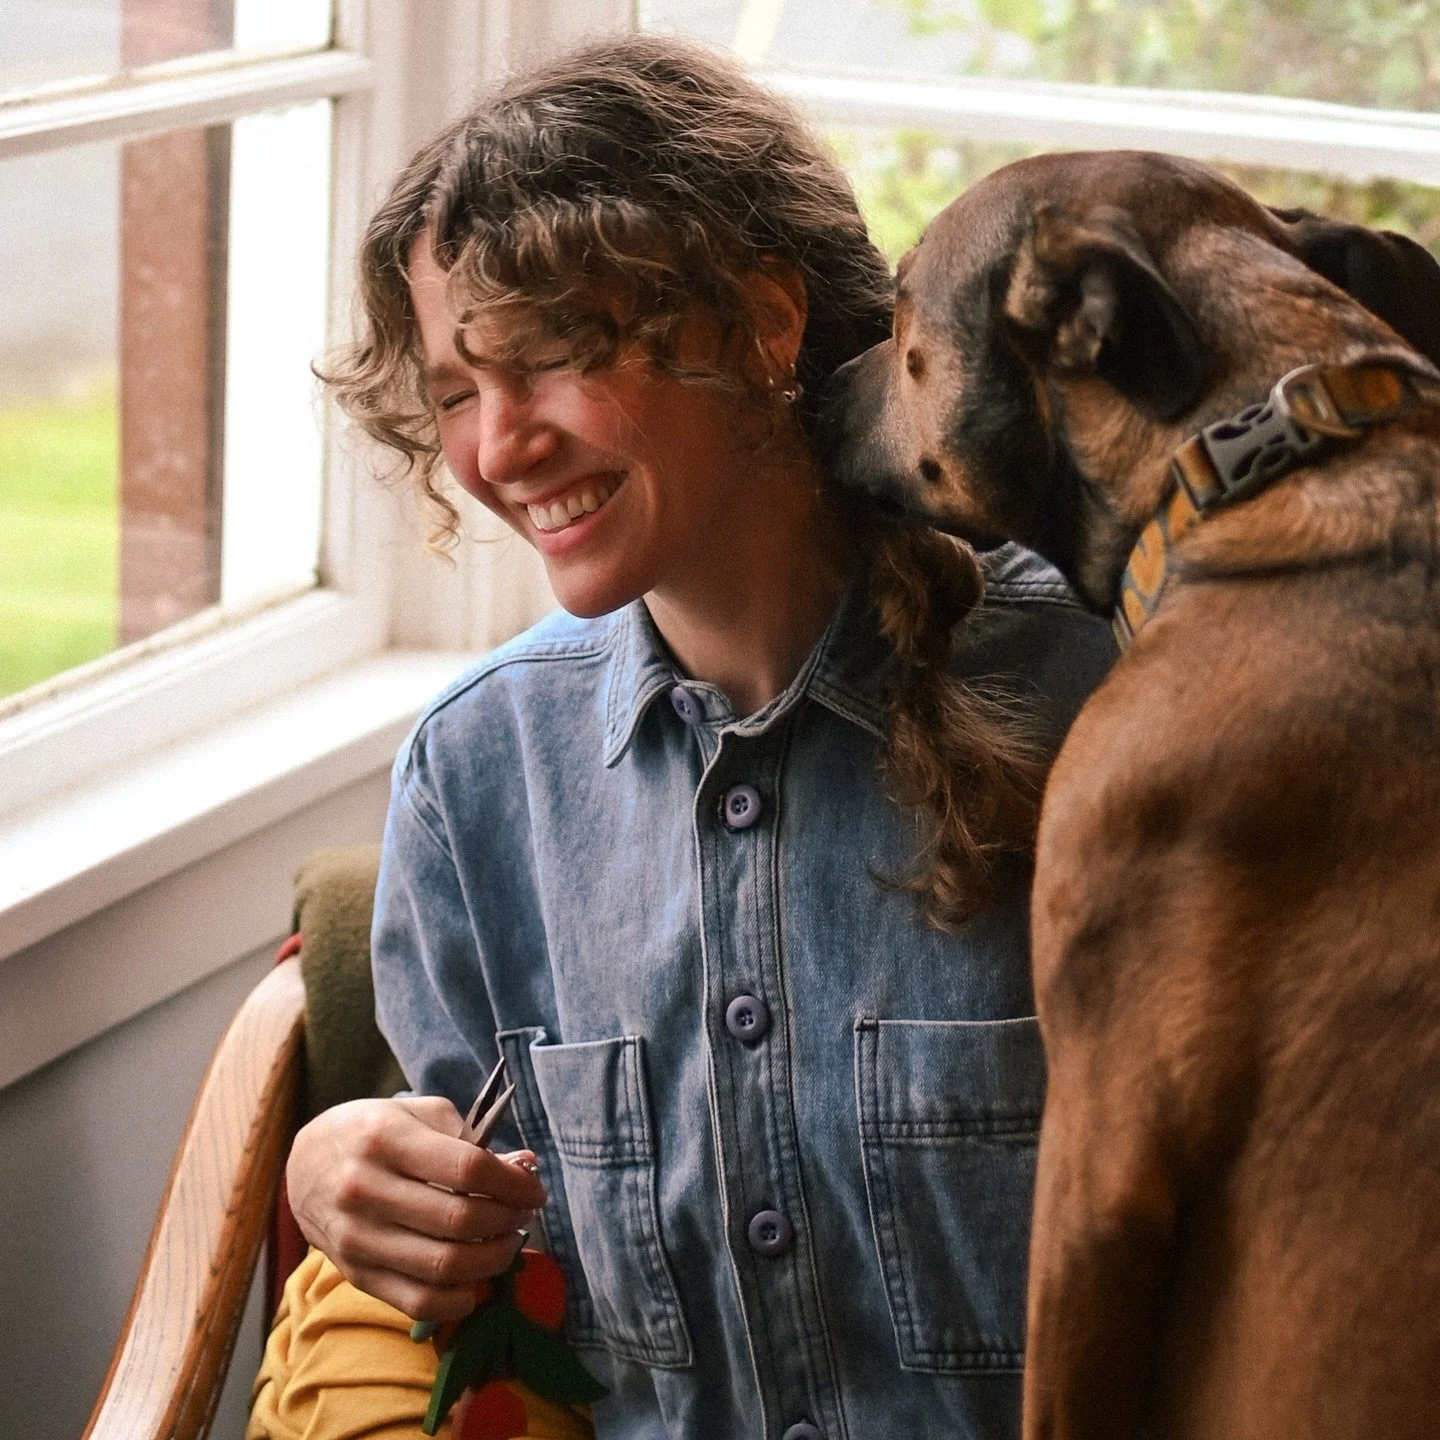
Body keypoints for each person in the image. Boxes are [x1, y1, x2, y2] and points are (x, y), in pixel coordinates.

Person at [262, 32, 1115, 1440]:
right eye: (457, 390)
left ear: (765, 323)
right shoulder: (479, 783)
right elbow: (501, 1292)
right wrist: (343, 1171)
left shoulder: (1102, 694)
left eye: (545, 357)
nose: (497, 446)